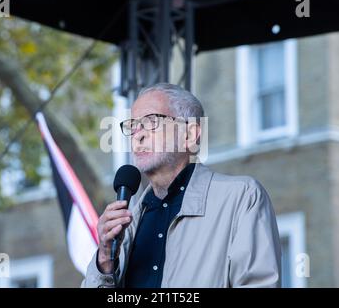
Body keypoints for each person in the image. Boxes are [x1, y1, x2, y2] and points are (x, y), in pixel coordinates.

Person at [82, 83, 281, 288]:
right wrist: (104, 260)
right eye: (133, 125)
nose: (138, 135)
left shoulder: (241, 198)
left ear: (189, 134)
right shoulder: (127, 225)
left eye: (151, 122)